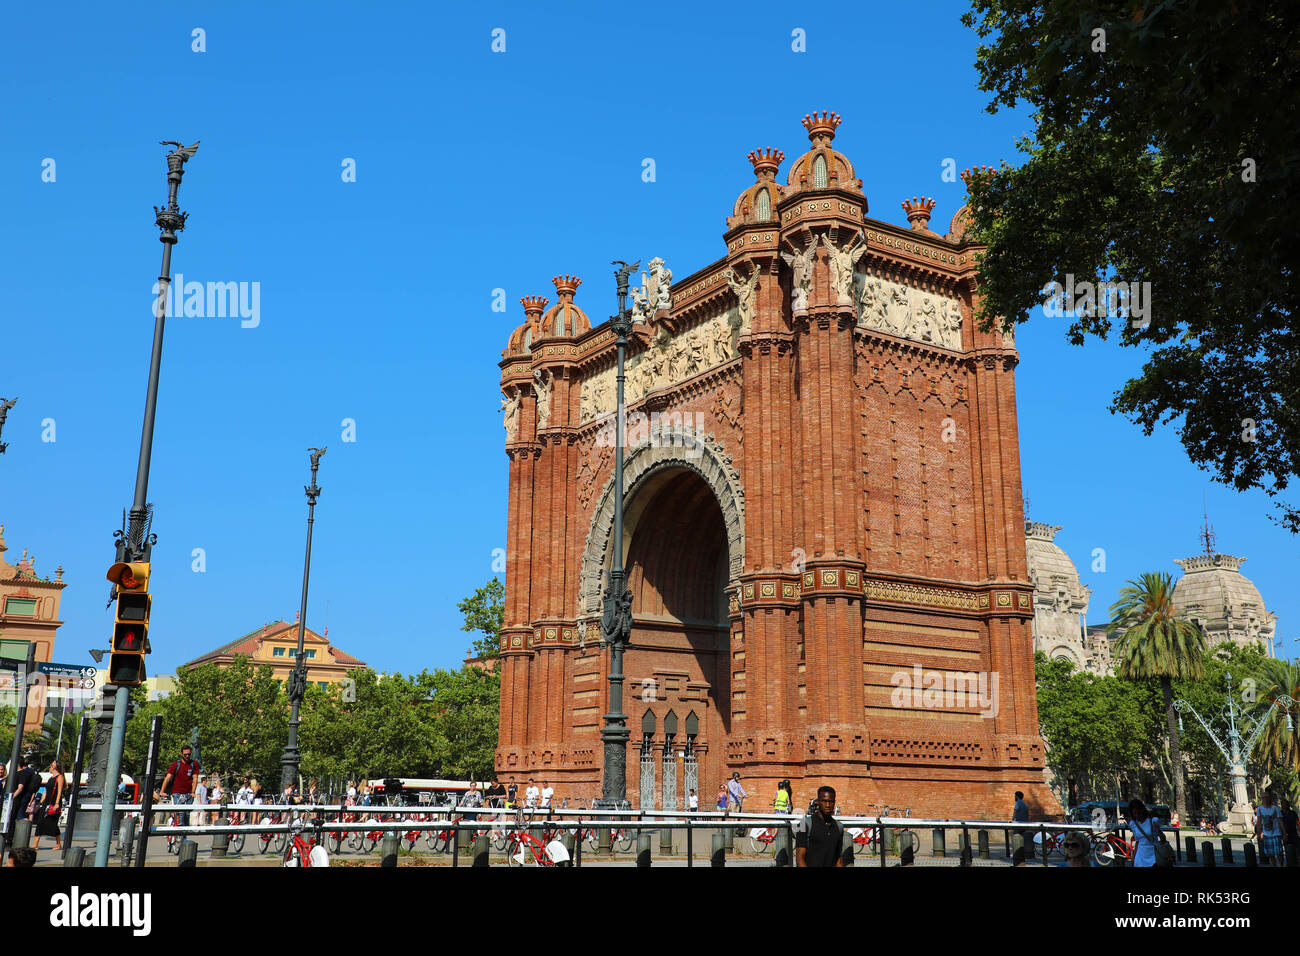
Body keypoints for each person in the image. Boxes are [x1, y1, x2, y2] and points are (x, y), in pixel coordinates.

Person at [796, 786, 845, 868]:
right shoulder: (803, 824)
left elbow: (838, 859)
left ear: (834, 802)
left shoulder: (839, 827)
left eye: (831, 801)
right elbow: (799, 859)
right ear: (818, 802)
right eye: (824, 801)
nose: (828, 805)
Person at [159, 744, 201, 826]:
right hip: (177, 793)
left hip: (189, 794)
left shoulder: (194, 764)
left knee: (187, 814)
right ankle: (179, 834)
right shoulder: (176, 764)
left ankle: (184, 835)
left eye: (189, 754)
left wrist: (193, 792)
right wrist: (162, 791)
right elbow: (168, 778)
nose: (187, 756)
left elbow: (195, 779)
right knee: (180, 814)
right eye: (185, 754)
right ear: (181, 754)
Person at [31, 760, 66, 851]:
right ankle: (35, 844)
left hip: (54, 803)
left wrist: (57, 803)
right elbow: (46, 792)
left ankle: (58, 844)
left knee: (52, 824)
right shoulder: (51, 778)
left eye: (53, 763)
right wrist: (40, 803)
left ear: (56, 766)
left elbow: (59, 791)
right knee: (40, 822)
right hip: (46, 803)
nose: (51, 764)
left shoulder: (60, 777)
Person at [1127, 799, 1163, 868]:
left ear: (1141, 809)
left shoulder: (1153, 820)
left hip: (1153, 855)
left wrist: (1159, 830)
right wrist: (1133, 858)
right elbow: (1137, 842)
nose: (1135, 811)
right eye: (1133, 810)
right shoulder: (1133, 824)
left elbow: (1163, 839)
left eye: (1137, 809)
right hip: (1140, 857)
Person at [1255, 791, 1284, 865]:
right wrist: (1259, 833)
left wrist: (1284, 833)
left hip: (1276, 834)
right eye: (1263, 798)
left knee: (1279, 853)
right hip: (1266, 834)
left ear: (1270, 798)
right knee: (1270, 854)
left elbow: (1280, 821)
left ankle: (1281, 865)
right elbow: (1259, 822)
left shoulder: (1275, 808)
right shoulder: (1260, 809)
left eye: (1267, 797)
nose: (1265, 799)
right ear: (1262, 799)